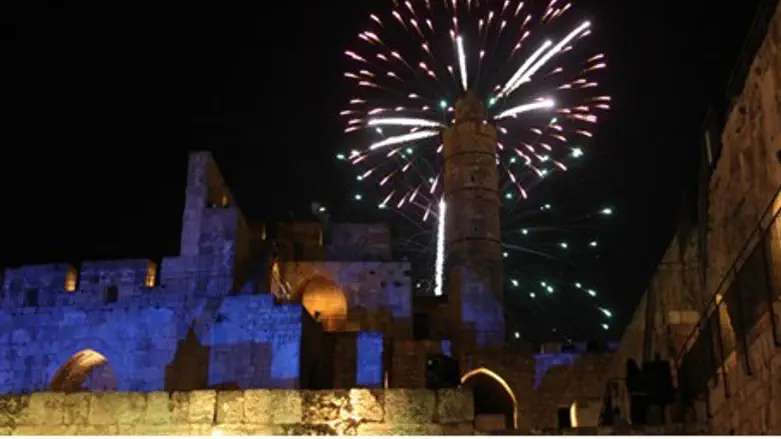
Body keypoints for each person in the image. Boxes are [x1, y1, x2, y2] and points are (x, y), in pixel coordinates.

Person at [626, 359, 648, 425]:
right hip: (643, 398)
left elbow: (629, 388)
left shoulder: (630, 377)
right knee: (642, 418)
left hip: (635, 398)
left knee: (636, 419)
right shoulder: (640, 374)